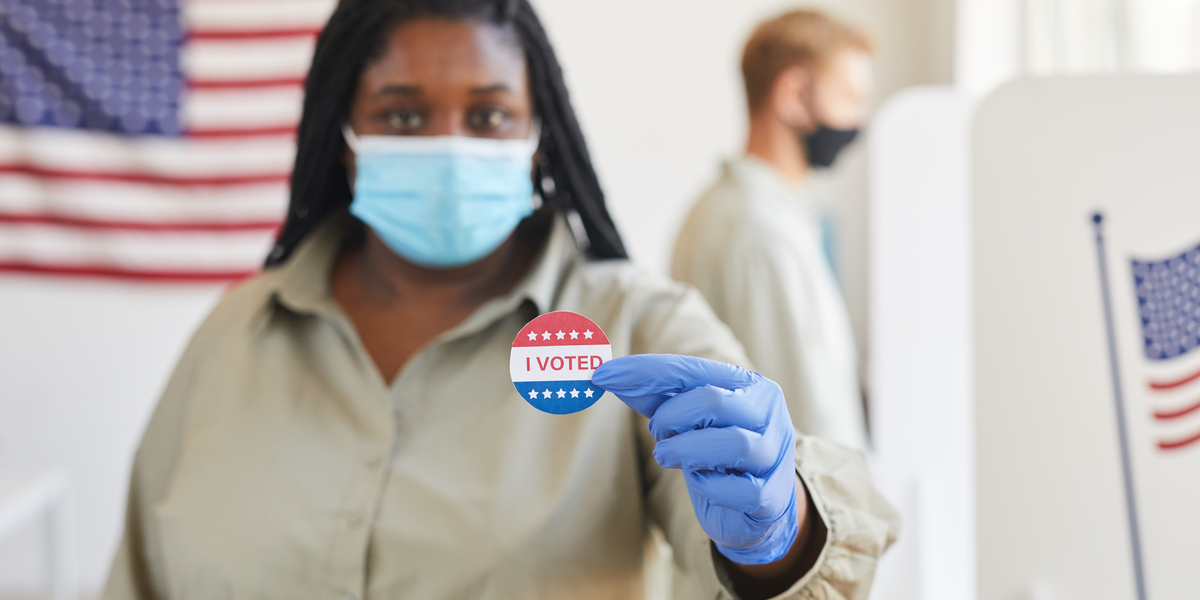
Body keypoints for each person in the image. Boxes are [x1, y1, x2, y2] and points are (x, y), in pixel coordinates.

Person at [102, 1, 897, 598]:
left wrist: (781, 535)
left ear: (535, 139)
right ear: (343, 139)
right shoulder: (236, 333)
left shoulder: (637, 325)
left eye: (488, 115)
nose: (450, 146)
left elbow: (820, 550)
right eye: (403, 115)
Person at [672, 10, 875, 451]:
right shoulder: (758, 233)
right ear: (793, 95)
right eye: (850, 98)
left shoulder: (733, 210)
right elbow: (803, 425)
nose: (859, 120)